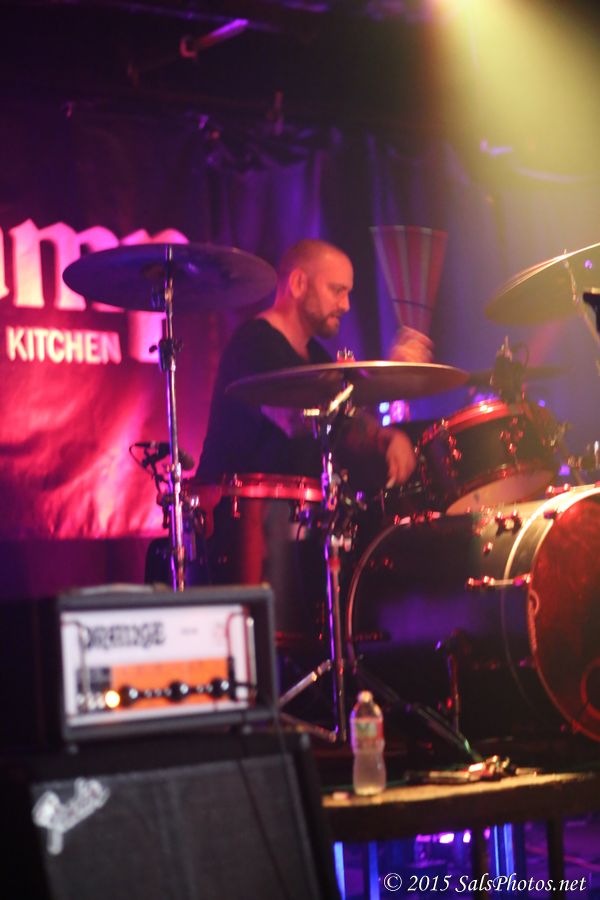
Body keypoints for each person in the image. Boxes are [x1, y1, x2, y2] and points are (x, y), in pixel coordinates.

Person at [197, 238, 432, 489]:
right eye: (337, 290)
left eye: (348, 293)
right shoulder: (254, 343)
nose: (346, 305)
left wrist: (386, 436)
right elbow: (298, 420)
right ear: (299, 283)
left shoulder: (315, 354)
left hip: (292, 506)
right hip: (236, 505)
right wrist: (380, 381)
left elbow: (344, 423)